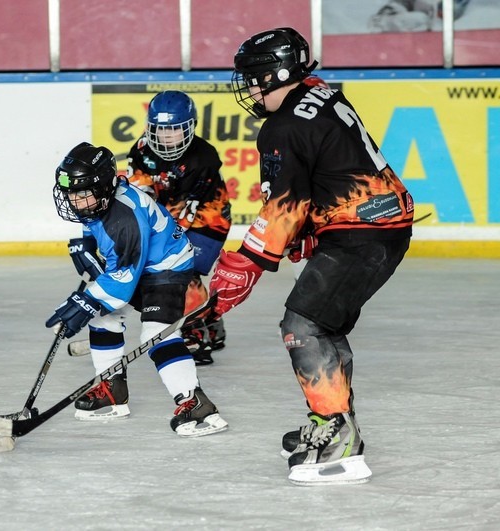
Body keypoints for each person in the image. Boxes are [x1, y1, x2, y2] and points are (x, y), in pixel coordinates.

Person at [209, 27, 414, 484]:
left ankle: (339, 439)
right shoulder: (318, 94)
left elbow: (282, 208)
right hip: (376, 224)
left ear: (278, 73)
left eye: (256, 78)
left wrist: (241, 268)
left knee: (303, 325)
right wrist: (314, 224)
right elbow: (328, 170)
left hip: (364, 232)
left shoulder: (283, 126)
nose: (251, 88)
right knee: (325, 323)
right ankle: (335, 420)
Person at [46, 141, 227, 437]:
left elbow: (122, 284)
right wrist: (86, 242)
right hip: (142, 262)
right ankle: (112, 387)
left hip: (168, 267)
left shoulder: (124, 218)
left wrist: (85, 300)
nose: (73, 201)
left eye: (81, 194)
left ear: (102, 189)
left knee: (156, 333)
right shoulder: (101, 202)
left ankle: (195, 403)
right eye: (69, 193)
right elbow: (95, 225)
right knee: (102, 318)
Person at [124, 90, 232, 366]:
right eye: (161, 129)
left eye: (174, 130)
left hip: (208, 218)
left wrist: (157, 238)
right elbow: (139, 193)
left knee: (183, 272)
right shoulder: (141, 150)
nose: (167, 136)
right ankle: (210, 322)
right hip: (170, 213)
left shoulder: (204, 157)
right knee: (176, 272)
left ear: (189, 127)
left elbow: (189, 211)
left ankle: (194, 332)